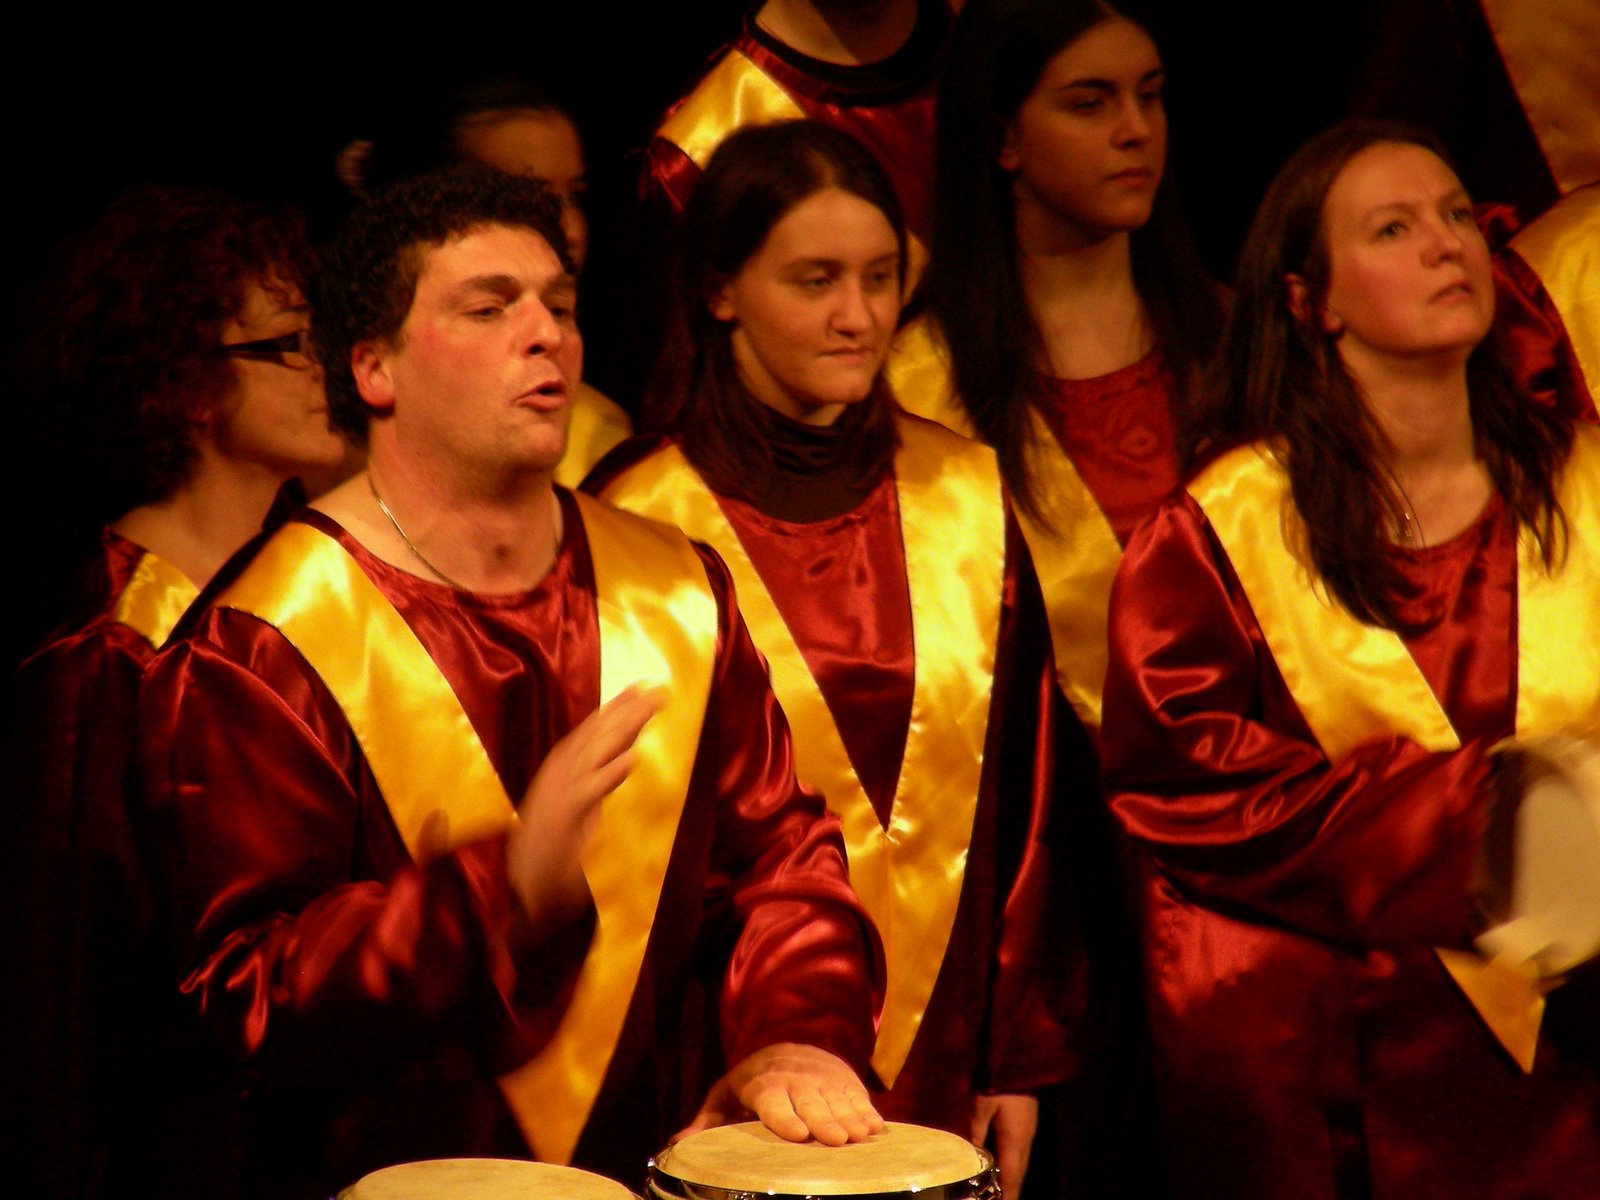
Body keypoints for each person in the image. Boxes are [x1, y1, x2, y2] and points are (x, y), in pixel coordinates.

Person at [135, 166, 884, 1200]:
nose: (546, 335)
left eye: (560, 306)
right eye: (489, 308)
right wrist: (497, 890)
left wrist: (794, 1032)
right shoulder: (260, 641)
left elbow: (783, 863)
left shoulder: (676, 591)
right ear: (373, 368)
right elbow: (245, 994)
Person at [590, 120, 1100, 1199]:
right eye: (814, 280)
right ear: (720, 290)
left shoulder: (964, 495)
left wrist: (1017, 1051)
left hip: (948, 1036)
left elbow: (1028, 795)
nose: (859, 315)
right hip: (727, 1046)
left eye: (878, 277)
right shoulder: (635, 517)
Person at [1102, 120, 1600, 1200]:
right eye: (1393, 228)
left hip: (1577, 1067)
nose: (1446, 243)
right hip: (1339, 1081)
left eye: (1457, 215)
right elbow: (1188, 788)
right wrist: (1497, 825)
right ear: (1309, 301)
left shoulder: (1585, 483)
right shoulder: (1218, 534)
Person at [7, 186, 350, 1199]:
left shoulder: (305, 589)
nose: (325, 366)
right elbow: (67, 1006)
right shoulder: (107, 655)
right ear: (188, 383)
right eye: (287, 344)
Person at [898, 0, 1224, 733]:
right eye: (1090, 104)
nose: (1136, 130)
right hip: (1037, 783)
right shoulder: (914, 389)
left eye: (1150, 95)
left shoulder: (1236, 338)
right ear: (1003, 138)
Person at [340, 76, 633, 485]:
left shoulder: (599, 438)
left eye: (575, 197)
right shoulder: (331, 451)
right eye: (525, 197)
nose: (567, 228)